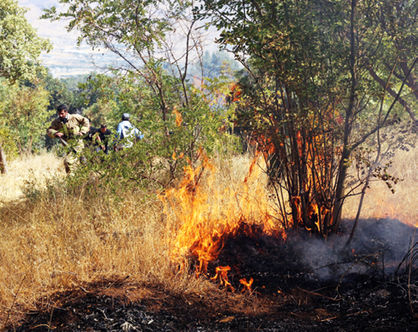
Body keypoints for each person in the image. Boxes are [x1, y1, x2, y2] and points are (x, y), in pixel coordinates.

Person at [47, 104, 90, 174]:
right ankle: (78, 180)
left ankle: (72, 179)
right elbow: (49, 130)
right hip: (67, 146)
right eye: (59, 114)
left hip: (77, 144)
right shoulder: (57, 122)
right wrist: (55, 133)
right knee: (82, 163)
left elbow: (86, 121)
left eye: (62, 113)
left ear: (66, 112)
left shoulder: (75, 117)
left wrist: (82, 131)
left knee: (68, 162)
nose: (60, 115)